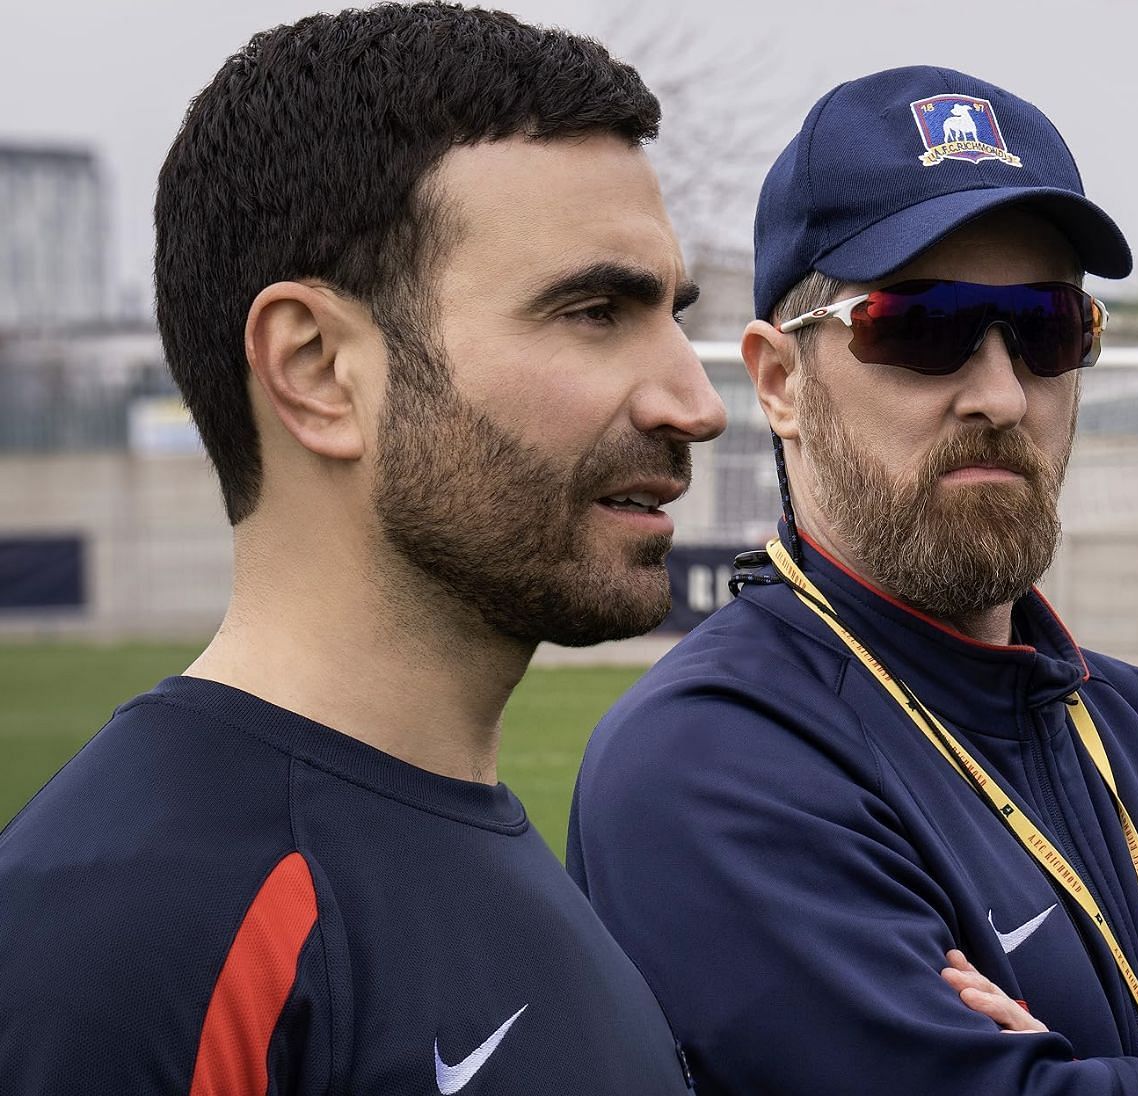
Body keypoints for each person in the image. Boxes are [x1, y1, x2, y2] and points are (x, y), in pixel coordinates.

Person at [568, 66, 1138, 1095]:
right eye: (922, 327)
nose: (998, 393)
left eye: (1045, 329)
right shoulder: (710, 757)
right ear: (778, 379)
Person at [0, 5, 724, 1092]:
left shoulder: (477, 841)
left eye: (671, 311)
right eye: (592, 311)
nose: (695, 401)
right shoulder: (128, 931)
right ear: (317, 369)